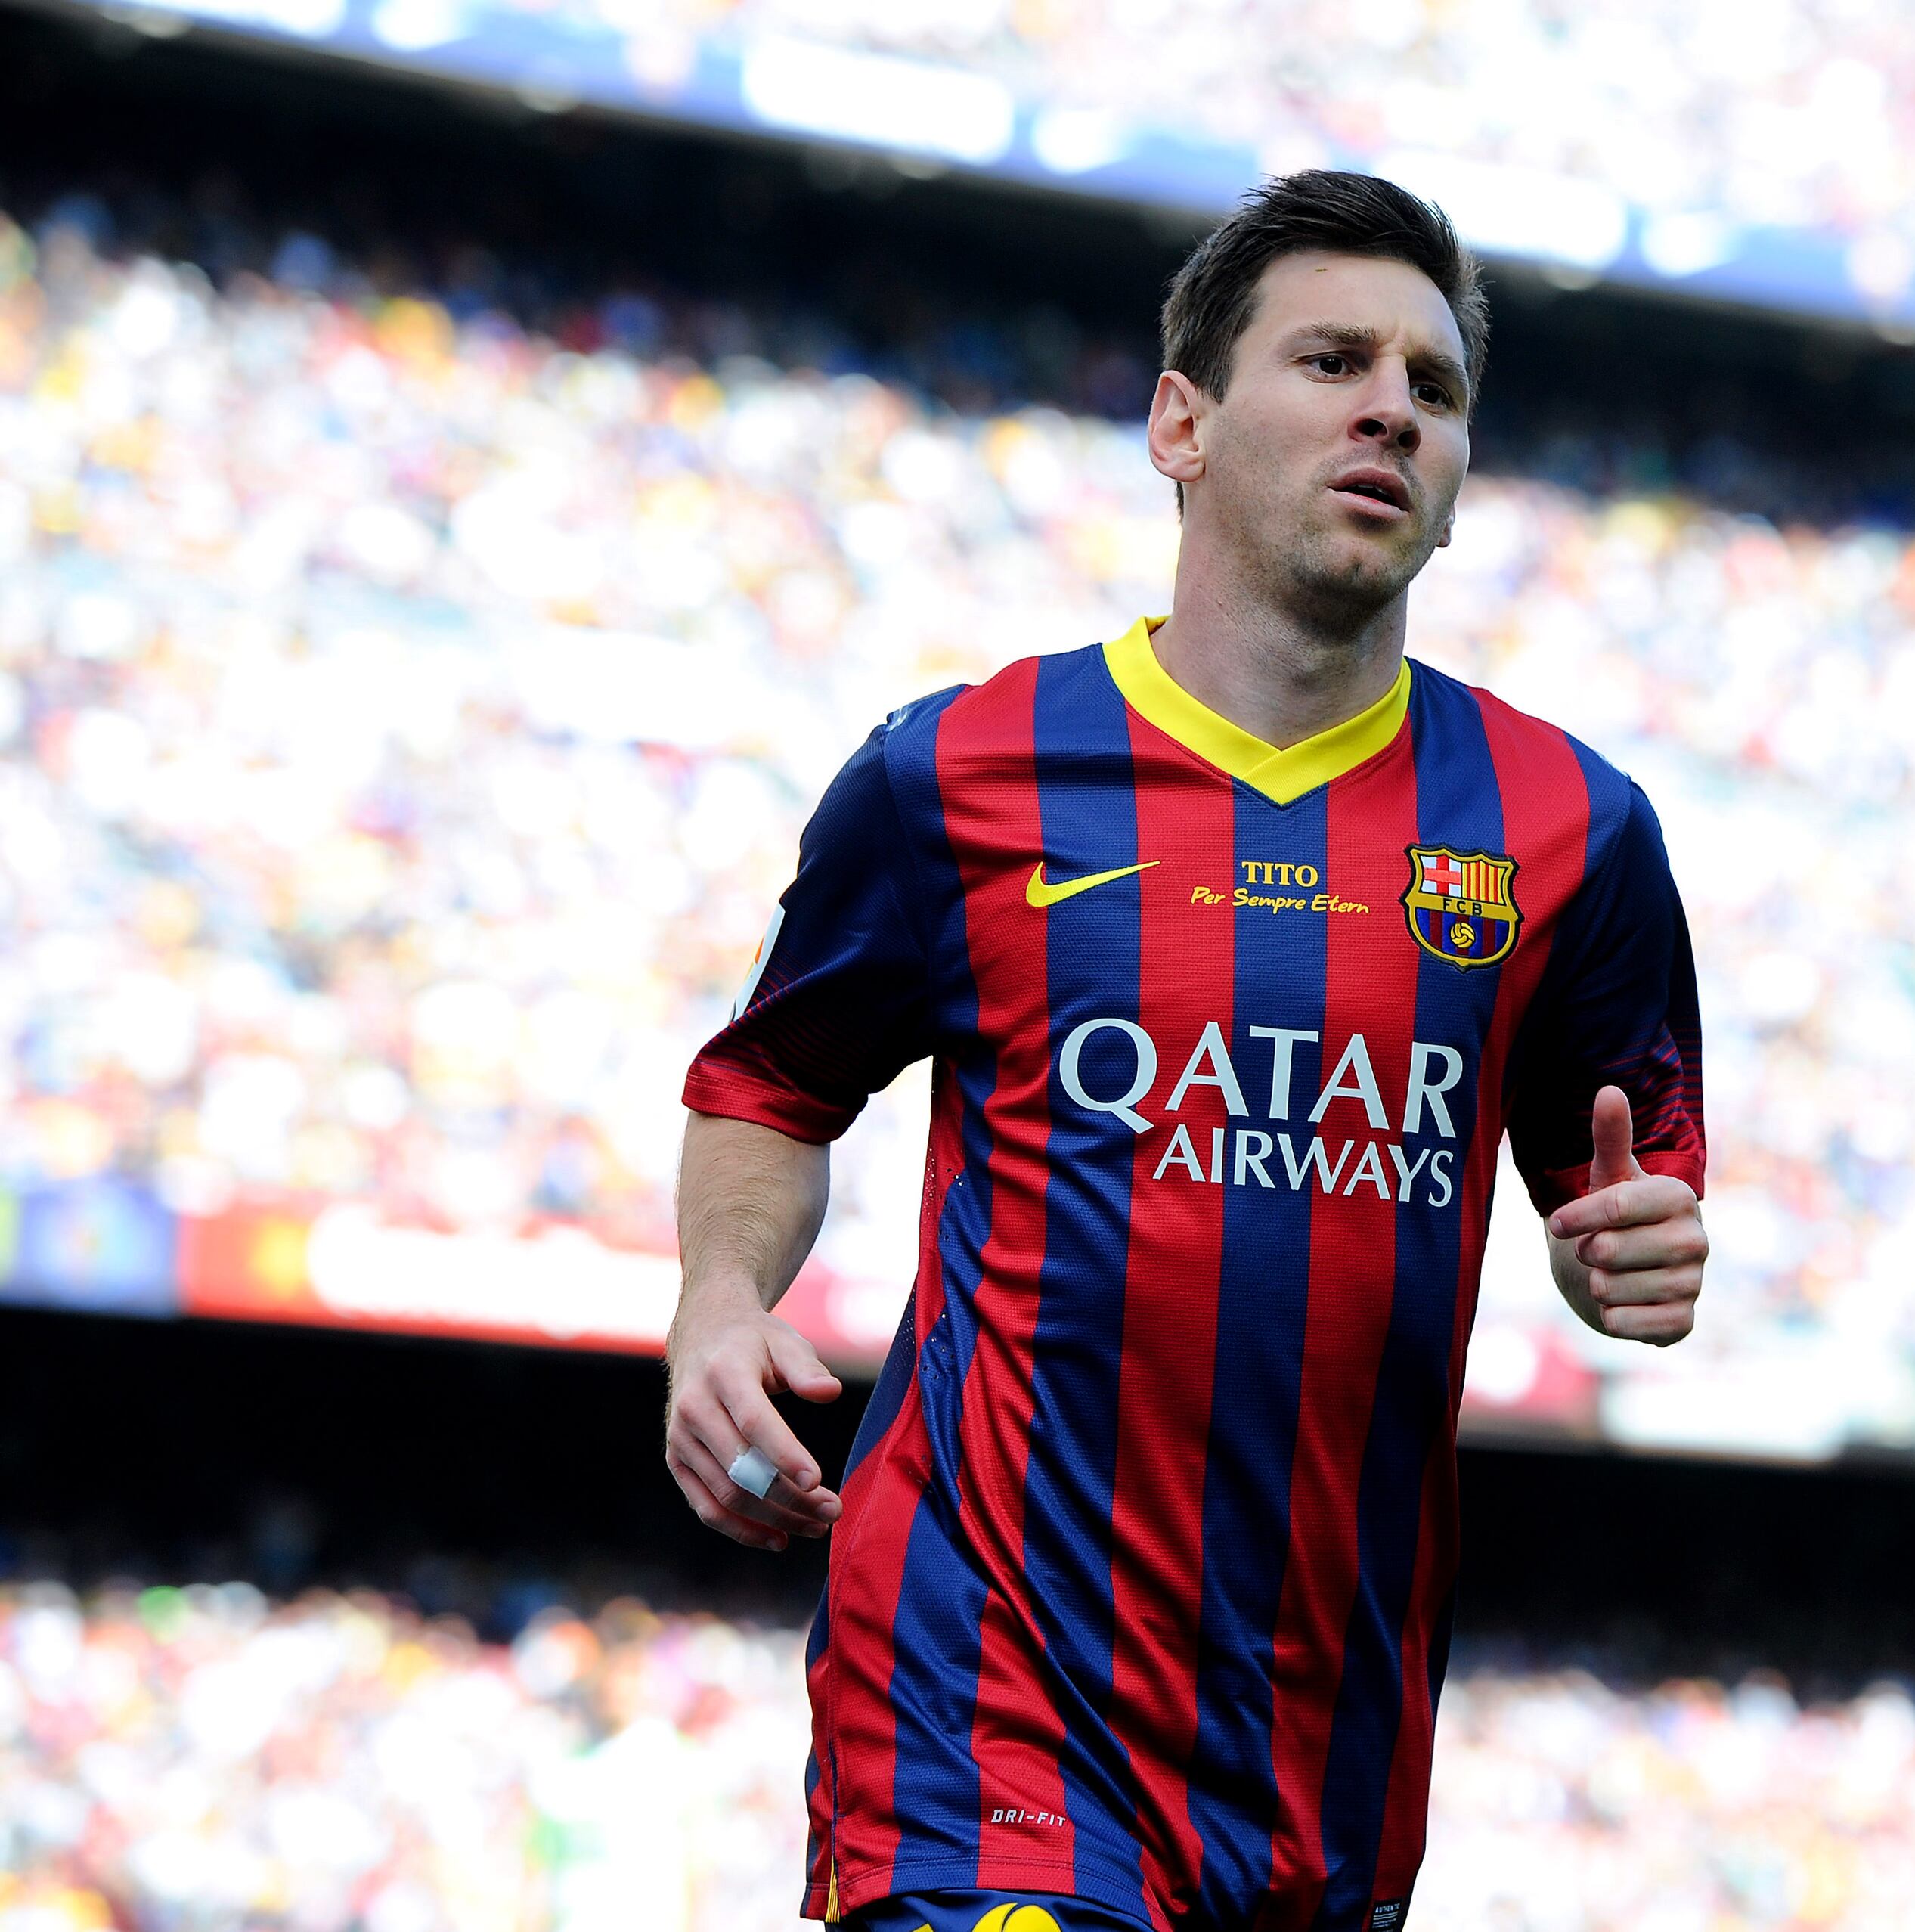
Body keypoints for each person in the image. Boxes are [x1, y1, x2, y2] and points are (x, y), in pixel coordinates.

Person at [662, 170, 1708, 1932]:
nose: (1392, 404)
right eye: (1332, 359)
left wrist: (1644, 1256)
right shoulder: (959, 776)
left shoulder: (1574, 831)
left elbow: (1632, 1189)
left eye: (1435, 389)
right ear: (1182, 423)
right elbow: (770, 1082)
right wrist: (715, 1303)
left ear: (1454, 493)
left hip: (1327, 1763)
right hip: (982, 1705)